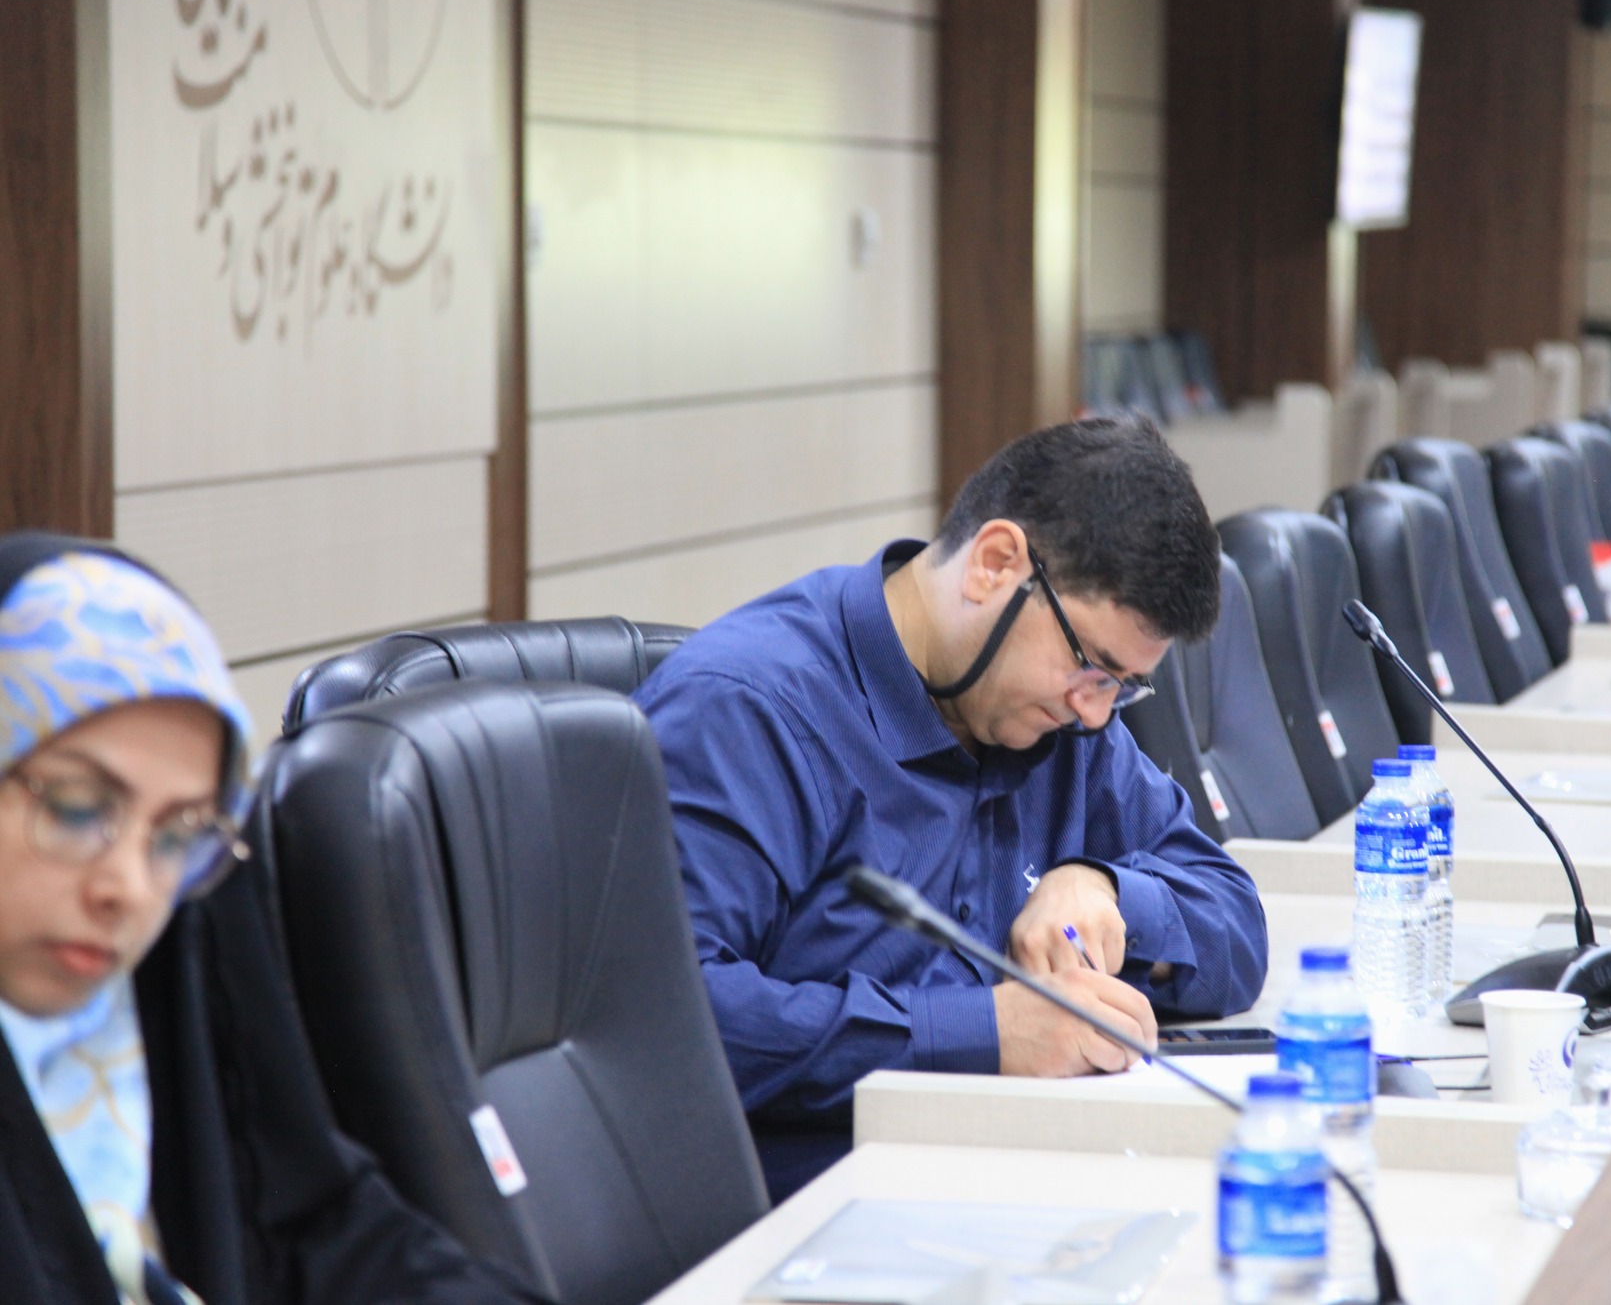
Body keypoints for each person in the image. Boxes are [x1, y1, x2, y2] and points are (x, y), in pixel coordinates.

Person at [636, 418, 1269, 1198]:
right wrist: (985, 1033)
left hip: (1028, 1183)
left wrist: (1102, 887)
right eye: (1094, 667)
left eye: (1122, 687)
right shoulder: (747, 710)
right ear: (997, 563)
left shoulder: (1066, 724)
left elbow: (1236, 920)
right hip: (814, 1206)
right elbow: (673, 1016)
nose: (1098, 712)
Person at [0, 532, 540, 1304]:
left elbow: (316, 1230)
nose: (129, 886)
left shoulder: (158, 978)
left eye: (178, 833)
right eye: (78, 807)